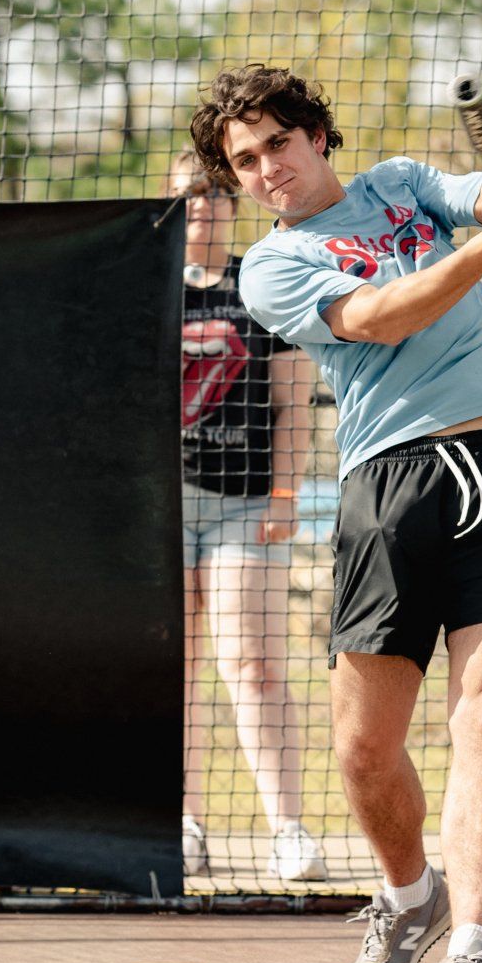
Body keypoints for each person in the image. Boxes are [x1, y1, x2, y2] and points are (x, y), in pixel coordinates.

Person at [188, 64, 482, 963]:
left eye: (277, 141)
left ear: (317, 135)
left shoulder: (400, 183)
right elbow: (379, 315)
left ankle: (474, 944)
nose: (267, 167)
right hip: (388, 487)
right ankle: (413, 898)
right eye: (245, 160)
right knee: (364, 749)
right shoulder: (272, 267)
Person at [172, 157, 325, 886]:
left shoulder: (261, 285)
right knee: (174, 669)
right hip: (162, 507)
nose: (204, 206)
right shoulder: (144, 285)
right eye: (191, 194)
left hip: (243, 503)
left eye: (217, 193)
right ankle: (182, 823)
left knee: (255, 667)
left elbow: (294, 404)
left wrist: (286, 495)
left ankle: (288, 830)